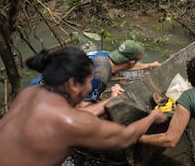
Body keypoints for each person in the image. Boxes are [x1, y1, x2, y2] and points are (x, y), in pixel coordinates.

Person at [0, 46, 167, 166]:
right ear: (73, 84)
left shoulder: (30, 93)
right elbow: (126, 137)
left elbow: (76, 118)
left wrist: (110, 100)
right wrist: (152, 117)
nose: (89, 89)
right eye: (89, 83)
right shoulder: (68, 122)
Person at [31, 40, 161, 116]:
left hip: (39, 86)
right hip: (45, 103)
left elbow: (125, 66)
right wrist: (112, 98)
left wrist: (149, 65)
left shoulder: (104, 56)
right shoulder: (100, 76)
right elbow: (82, 111)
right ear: (131, 61)